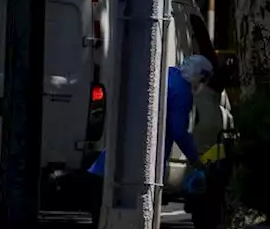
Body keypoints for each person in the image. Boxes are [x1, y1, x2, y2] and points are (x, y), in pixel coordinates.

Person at [89, 54, 214, 183]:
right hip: (143, 157)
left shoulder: (168, 75)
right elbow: (179, 131)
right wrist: (195, 160)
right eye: (203, 80)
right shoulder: (182, 92)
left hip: (122, 145)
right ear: (199, 76)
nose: (203, 84)